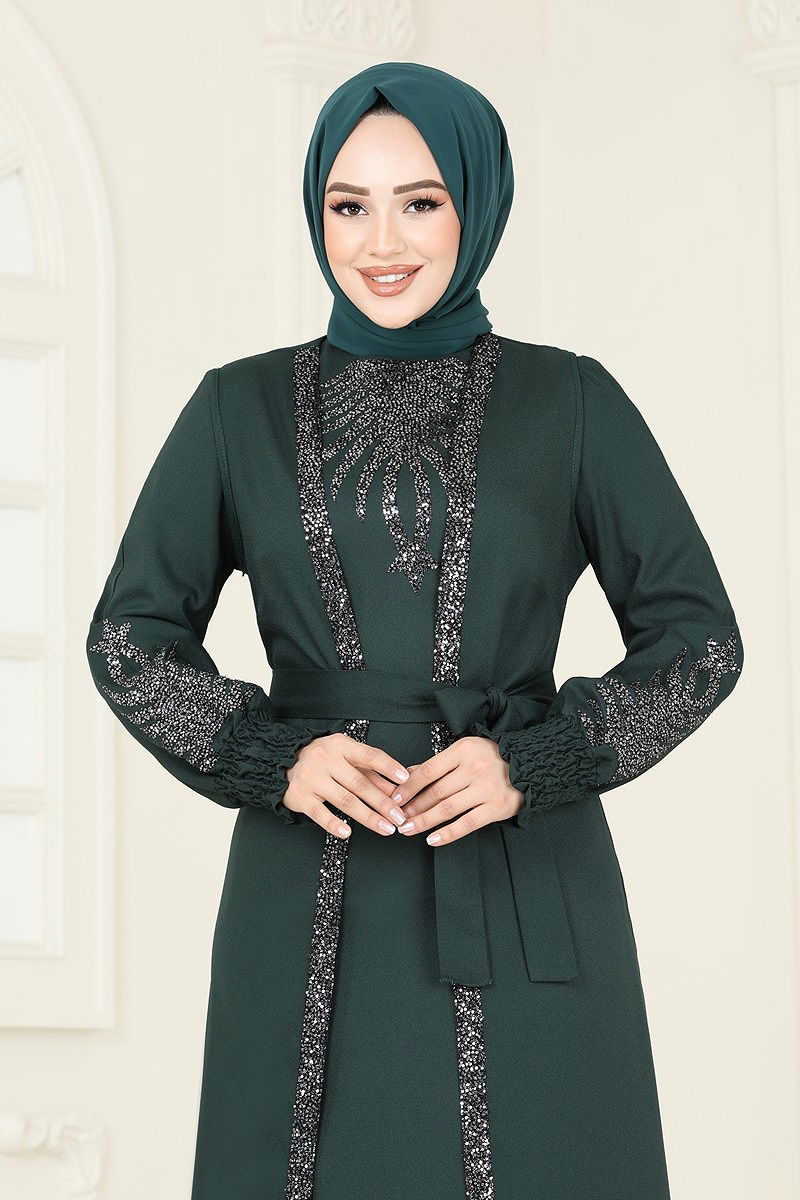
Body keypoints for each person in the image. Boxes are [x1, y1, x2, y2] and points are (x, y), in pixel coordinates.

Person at [85, 60, 744, 1200]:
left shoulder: (569, 400)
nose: (380, 241)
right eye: (348, 205)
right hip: (306, 875)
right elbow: (128, 635)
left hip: (520, 872)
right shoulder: (240, 407)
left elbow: (699, 639)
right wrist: (271, 757)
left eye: (420, 201)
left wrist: (532, 761)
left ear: (475, 205)